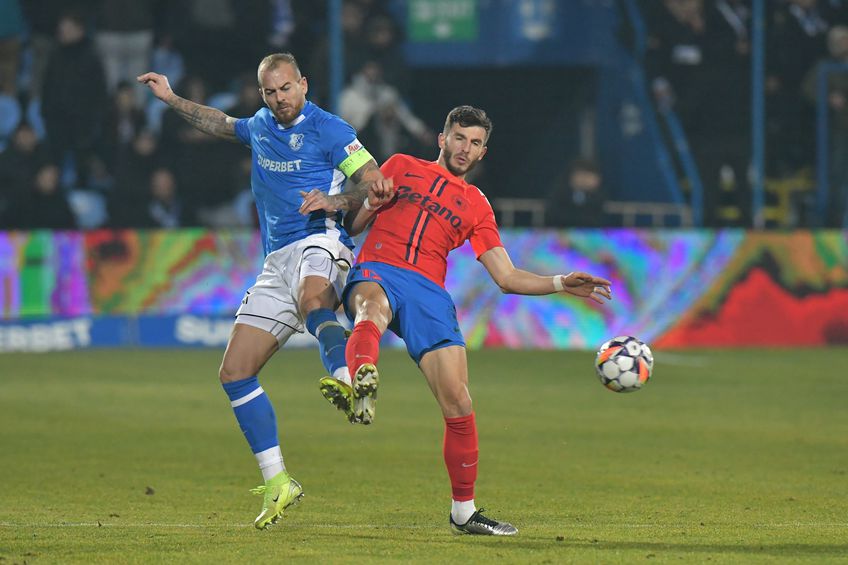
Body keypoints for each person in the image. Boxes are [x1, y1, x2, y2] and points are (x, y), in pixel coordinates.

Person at [318, 106, 612, 535]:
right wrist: (368, 207)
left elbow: (507, 277)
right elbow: (353, 222)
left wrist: (561, 282)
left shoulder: (477, 205)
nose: (464, 148)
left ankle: (464, 512)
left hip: (430, 294)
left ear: (483, 152)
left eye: (474, 143)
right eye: (459, 138)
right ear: (442, 139)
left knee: (459, 402)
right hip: (380, 266)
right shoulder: (400, 166)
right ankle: (359, 376)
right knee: (370, 309)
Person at [137, 52, 390, 529]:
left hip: (322, 237)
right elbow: (218, 123)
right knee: (234, 372)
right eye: (270, 92)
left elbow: (374, 182)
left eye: (286, 89)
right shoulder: (259, 125)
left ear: (304, 84)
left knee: (315, 299)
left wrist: (334, 200)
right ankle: (278, 481)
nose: (279, 100)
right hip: (276, 261)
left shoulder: (330, 129)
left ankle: (347, 374)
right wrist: (170, 98)